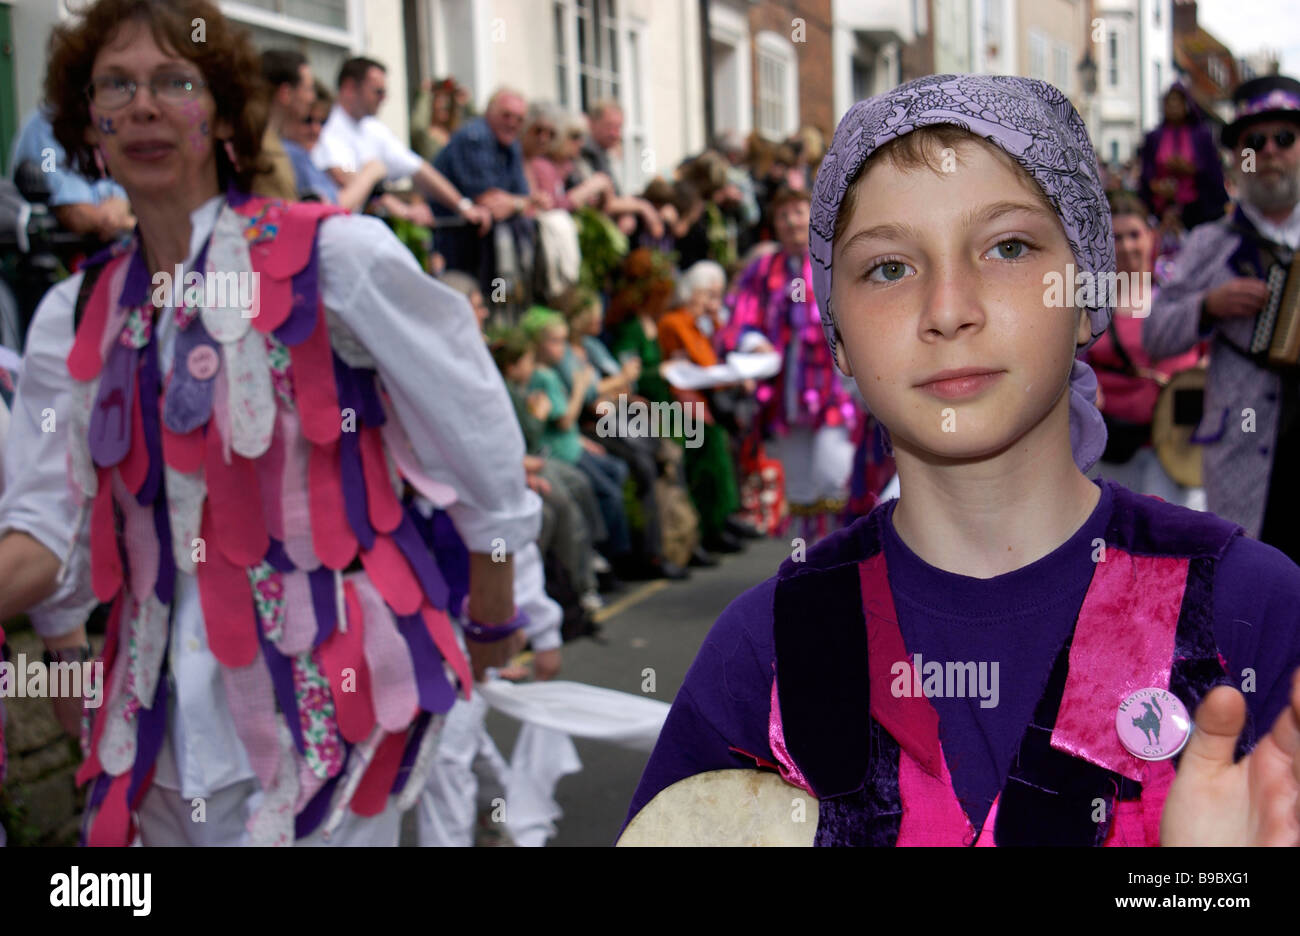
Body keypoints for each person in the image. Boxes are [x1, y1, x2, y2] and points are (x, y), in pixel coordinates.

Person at [624, 74, 1300, 847]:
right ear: (838, 333)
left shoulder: (1254, 611)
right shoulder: (765, 650)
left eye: (1009, 247)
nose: (949, 308)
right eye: (888, 268)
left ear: (1087, 291)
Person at [0, 0, 539, 846]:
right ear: (88, 122)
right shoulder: (73, 315)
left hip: (336, 699)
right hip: (160, 727)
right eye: (116, 85)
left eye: (174, 81)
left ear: (221, 112)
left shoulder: (335, 257)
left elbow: (473, 418)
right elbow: (39, 531)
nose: (143, 106)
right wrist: (65, 656)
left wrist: (497, 600)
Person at [1145, 74, 1300, 564]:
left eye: (1285, 139)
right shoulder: (1210, 243)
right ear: (1238, 158)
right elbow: (1155, 334)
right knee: (1256, 600)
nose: (1270, 151)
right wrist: (1208, 305)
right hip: (1245, 457)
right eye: (1254, 142)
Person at [719, 185, 859, 543]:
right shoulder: (765, 269)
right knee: (799, 487)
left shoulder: (838, 258)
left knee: (834, 477)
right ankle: (812, 567)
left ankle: (847, 560)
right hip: (789, 397)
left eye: (798, 212)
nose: (791, 222)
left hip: (835, 390)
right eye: (782, 216)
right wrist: (754, 344)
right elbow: (739, 317)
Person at [1086, 191, 1206, 507]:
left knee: (1181, 538)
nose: (1126, 245)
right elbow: (1070, 364)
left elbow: (1211, 351)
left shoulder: (1179, 293)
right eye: (1116, 237)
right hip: (1118, 451)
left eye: (1134, 235)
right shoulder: (1089, 304)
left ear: (1151, 237)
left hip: (1180, 446)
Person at [313, 56, 488, 231]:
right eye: (378, 91)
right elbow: (344, 180)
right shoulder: (324, 126)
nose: (384, 98)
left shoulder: (372, 128)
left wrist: (464, 207)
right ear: (350, 87)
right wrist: (373, 175)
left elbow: (419, 169)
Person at [9, 109, 133, 240]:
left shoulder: (109, 119)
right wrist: (129, 221)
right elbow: (77, 214)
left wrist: (121, 203)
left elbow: (121, 198)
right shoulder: (45, 126)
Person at [1138, 83, 1228, 235]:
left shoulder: (1201, 136)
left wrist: (1191, 169)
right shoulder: (1154, 137)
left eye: (1177, 102)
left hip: (1196, 208)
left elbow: (1212, 169)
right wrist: (1156, 186)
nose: (1173, 107)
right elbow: (1147, 171)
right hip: (1162, 207)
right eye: (1169, 103)